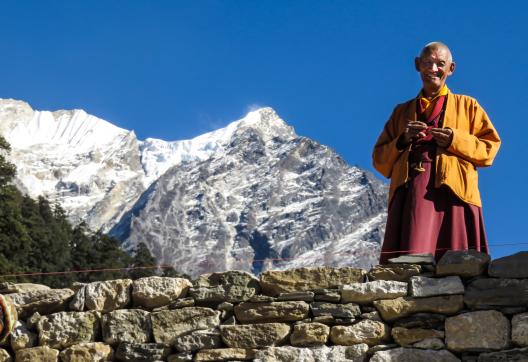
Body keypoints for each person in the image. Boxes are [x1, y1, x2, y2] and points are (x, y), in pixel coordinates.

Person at [372, 42, 501, 264]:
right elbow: (379, 160)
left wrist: (454, 139)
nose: (433, 69)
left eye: (440, 64)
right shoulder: (401, 112)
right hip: (413, 189)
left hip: (455, 191)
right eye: (428, 63)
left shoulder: (468, 106)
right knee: (413, 253)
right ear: (417, 65)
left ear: (451, 69)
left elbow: (489, 149)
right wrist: (403, 139)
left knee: (458, 260)